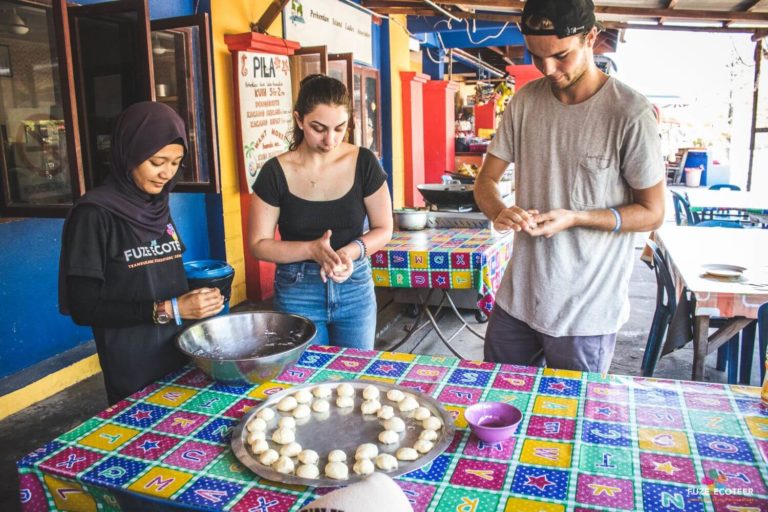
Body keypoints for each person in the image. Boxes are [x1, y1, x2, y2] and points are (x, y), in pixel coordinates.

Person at [474, 0, 665, 373]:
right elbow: (486, 180)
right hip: (517, 301)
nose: (547, 69)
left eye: (560, 55)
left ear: (591, 37)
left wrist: (576, 218)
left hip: (585, 314)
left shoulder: (628, 113)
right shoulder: (526, 102)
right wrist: (499, 210)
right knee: (498, 406)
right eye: (536, 56)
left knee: (571, 423)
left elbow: (653, 212)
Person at [59, 102, 224, 404]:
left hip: (181, 352)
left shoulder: (156, 205)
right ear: (129, 154)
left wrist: (199, 297)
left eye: (175, 163)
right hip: (134, 365)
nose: (166, 174)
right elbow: (84, 307)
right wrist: (170, 309)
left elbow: (156, 273)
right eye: (157, 161)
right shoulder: (94, 214)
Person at [249, 75, 392, 349]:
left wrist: (350, 252)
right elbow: (258, 245)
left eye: (340, 128)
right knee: (305, 381)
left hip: (354, 285)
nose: (330, 140)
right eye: (319, 128)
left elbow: (384, 228)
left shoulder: (364, 163)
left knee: (354, 375)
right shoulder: (274, 172)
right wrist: (311, 249)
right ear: (299, 119)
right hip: (296, 289)